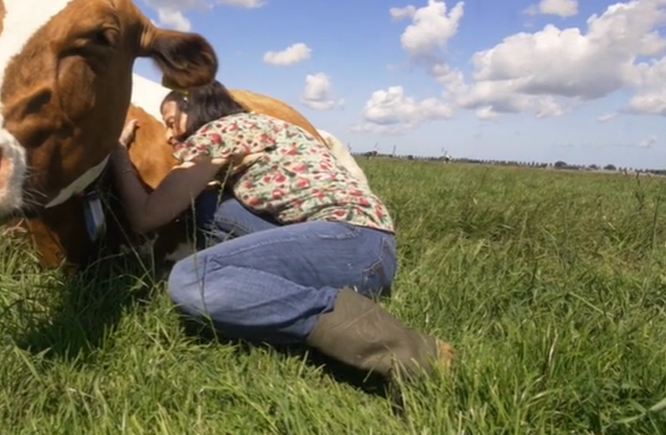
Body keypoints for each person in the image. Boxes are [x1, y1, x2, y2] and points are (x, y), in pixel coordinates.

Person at [109, 80, 454, 388]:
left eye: (171, 122)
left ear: (194, 107)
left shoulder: (218, 134)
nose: (169, 136)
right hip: (361, 244)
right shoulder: (269, 128)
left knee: (191, 280)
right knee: (209, 204)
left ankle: (414, 354)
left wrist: (118, 154)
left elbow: (145, 218)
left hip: (352, 242)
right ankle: (269, 294)